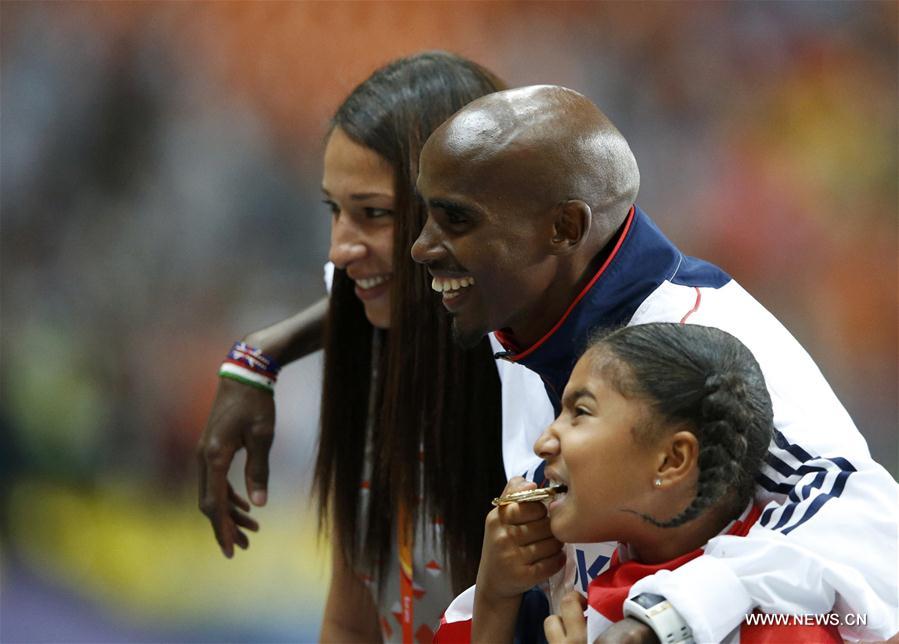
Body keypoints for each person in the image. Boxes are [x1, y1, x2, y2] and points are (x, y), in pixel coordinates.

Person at [412, 85, 898, 641]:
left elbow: (869, 526)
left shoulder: (704, 346)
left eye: (456, 221)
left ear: (565, 229)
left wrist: (664, 619)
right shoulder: (518, 317)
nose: (420, 247)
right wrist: (497, 595)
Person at [196, 52, 528, 642]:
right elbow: (350, 622)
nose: (340, 248)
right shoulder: (376, 355)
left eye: (373, 214)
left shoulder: (550, 397)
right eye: (335, 210)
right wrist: (256, 357)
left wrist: (267, 350)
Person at [457, 323, 841, 643]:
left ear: (672, 460)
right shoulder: (591, 577)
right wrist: (494, 595)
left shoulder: (779, 627)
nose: (543, 443)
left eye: (580, 412)